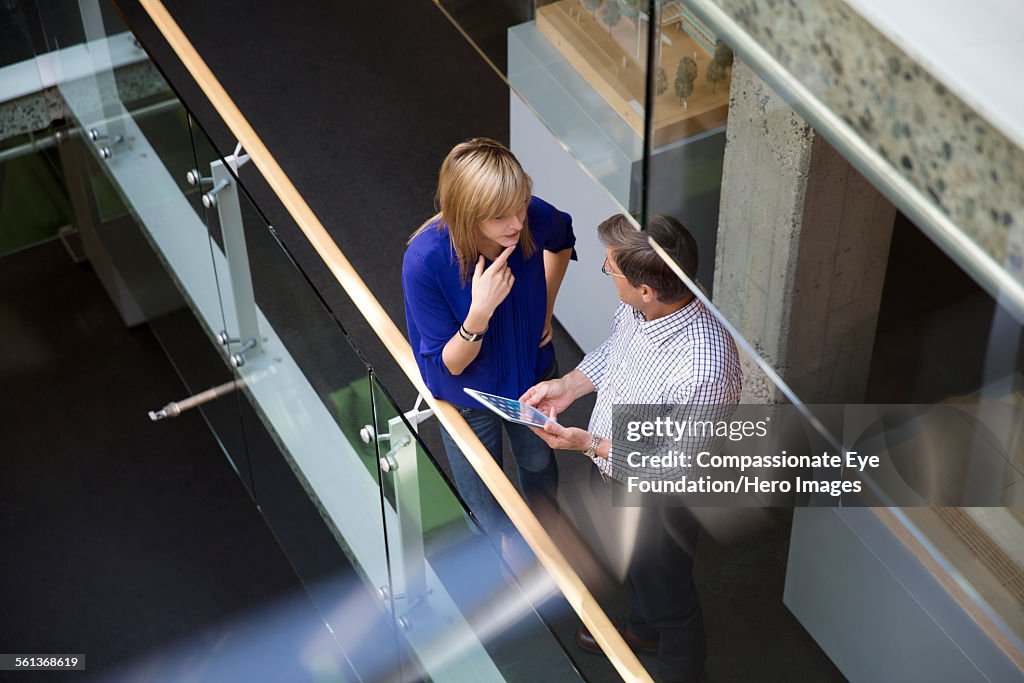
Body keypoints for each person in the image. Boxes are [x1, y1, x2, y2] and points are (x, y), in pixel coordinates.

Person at [520, 213, 742, 683]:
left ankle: (682, 667)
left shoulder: (705, 366)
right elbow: (616, 353)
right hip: (617, 469)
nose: (605, 272)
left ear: (647, 289)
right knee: (641, 569)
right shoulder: (641, 309)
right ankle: (644, 630)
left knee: (671, 595)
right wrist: (567, 386)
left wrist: (589, 443)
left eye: (610, 269)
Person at [402, 137, 576, 546]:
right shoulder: (425, 262)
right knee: (483, 495)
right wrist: (480, 311)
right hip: (468, 396)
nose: (516, 223)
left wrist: (545, 309)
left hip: (531, 375)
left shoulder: (529, 217)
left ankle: (545, 541)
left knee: (537, 462)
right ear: (468, 213)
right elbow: (452, 365)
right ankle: (501, 562)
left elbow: (563, 239)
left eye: (520, 205)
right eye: (500, 216)